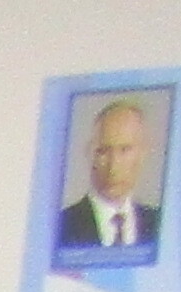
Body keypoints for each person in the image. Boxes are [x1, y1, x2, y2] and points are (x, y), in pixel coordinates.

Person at [58, 96, 162, 252]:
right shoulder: (60, 226)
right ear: (90, 154)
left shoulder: (160, 226)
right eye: (103, 151)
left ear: (142, 154)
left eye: (125, 150)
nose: (113, 165)